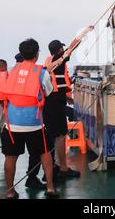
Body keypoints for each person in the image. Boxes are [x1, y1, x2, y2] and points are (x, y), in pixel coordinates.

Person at [1, 39, 58, 199]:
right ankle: (51, 188)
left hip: (11, 124)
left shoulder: (13, 71)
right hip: (34, 124)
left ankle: (10, 192)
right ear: (37, 53)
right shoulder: (41, 73)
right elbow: (48, 92)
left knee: (10, 157)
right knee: (45, 152)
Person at [42, 40, 80, 179]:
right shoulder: (59, 60)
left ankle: (52, 169)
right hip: (55, 104)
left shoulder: (49, 60)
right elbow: (72, 48)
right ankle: (62, 168)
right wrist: (82, 35)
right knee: (61, 135)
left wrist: (67, 97)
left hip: (50, 102)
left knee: (52, 135)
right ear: (59, 50)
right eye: (62, 48)